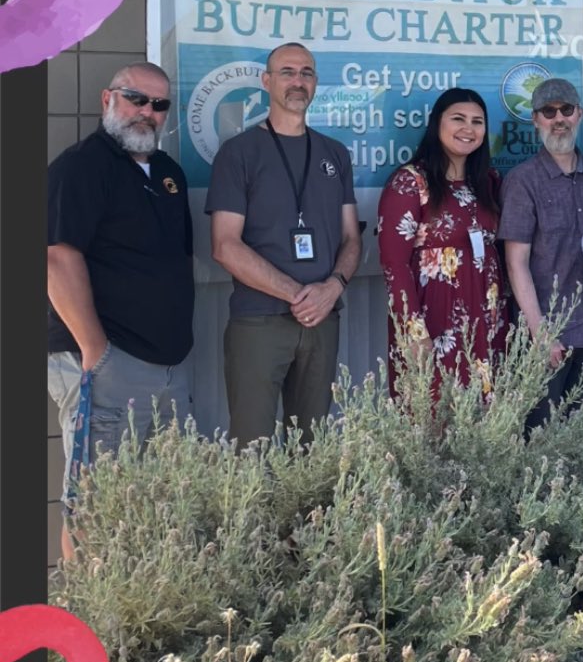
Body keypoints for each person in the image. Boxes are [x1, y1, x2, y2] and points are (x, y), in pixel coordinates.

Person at [47, 62, 194, 560]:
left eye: (159, 104)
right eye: (136, 98)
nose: (147, 112)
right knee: (93, 504)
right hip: (108, 362)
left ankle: (139, 604)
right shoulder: (81, 167)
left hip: (167, 366)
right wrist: (96, 351)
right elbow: (58, 259)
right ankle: (90, 606)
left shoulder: (168, 174)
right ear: (107, 99)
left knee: (160, 501)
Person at [207, 42, 361, 450]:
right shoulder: (238, 153)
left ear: (316, 83)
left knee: (312, 449)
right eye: (287, 72)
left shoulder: (334, 154)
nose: (298, 81)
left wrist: (332, 288)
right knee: (251, 448)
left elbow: (351, 237)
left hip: (323, 320)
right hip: (260, 320)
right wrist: (298, 295)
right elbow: (224, 245)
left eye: (306, 73)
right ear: (266, 81)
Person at [497, 78, 583, 426]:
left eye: (566, 109)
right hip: (547, 337)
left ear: (579, 113)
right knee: (542, 433)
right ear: (535, 119)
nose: (558, 119)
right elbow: (516, 263)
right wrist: (541, 332)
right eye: (548, 112)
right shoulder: (523, 181)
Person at [376, 87, 507, 393]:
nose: (468, 128)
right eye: (458, 118)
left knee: (488, 409)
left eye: (477, 121)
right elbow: (394, 264)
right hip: (434, 318)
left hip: (488, 317)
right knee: (436, 404)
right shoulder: (410, 182)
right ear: (437, 123)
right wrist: (412, 330)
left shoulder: (489, 181)